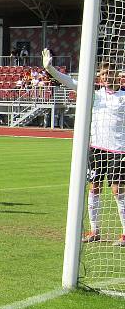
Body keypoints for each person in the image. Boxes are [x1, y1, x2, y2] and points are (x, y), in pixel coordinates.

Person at [43, 49, 125, 245]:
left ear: (117, 75)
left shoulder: (123, 96)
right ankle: (94, 231)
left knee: (117, 191)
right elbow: (70, 82)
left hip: (119, 150)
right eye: (104, 74)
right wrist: (50, 69)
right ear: (100, 77)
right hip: (96, 148)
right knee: (94, 188)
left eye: (110, 73)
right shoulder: (94, 94)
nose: (107, 77)